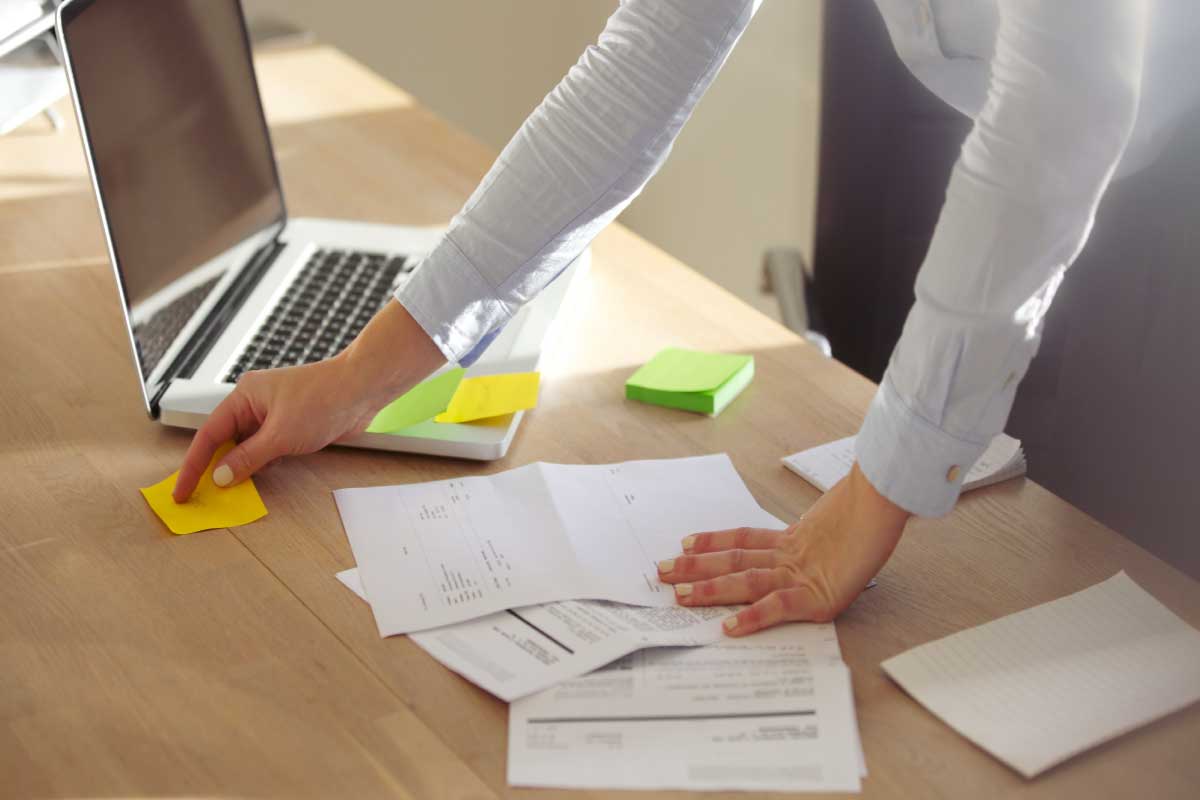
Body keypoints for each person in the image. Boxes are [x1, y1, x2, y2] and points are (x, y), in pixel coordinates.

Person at [173, 0, 1192, 635]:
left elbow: (1065, 111)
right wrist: (361, 373)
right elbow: (648, 55)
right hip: (1013, 188)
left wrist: (879, 491)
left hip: (1165, 211)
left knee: (1137, 633)